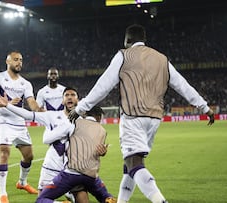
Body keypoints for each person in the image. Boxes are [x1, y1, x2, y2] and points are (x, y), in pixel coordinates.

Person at [69, 24, 215, 203]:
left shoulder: (123, 55)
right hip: (154, 119)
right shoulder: (162, 59)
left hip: (132, 117)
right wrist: (204, 107)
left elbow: (103, 85)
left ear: (128, 39)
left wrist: (80, 108)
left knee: (134, 163)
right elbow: (182, 85)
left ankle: (160, 200)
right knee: (129, 165)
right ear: (144, 39)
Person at [0, 87, 116, 203]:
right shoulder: (52, 116)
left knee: (80, 198)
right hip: (52, 165)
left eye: (73, 95)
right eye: (66, 95)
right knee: (43, 197)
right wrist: (8, 105)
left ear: (78, 100)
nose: (69, 97)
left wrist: (101, 151)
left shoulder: (83, 120)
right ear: (62, 100)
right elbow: (28, 115)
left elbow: (91, 144)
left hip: (75, 168)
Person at [0, 50, 43, 203]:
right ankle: (3, 194)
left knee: (29, 156)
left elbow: (31, 101)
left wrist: (38, 110)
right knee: (4, 154)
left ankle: (22, 182)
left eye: (21, 60)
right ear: (8, 61)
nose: (19, 62)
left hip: (19, 123)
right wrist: (6, 103)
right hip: (3, 121)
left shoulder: (25, 83)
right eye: (16, 59)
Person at [35, 106, 116, 203]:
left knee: (41, 199)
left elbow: (47, 139)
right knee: (104, 197)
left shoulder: (74, 123)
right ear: (99, 117)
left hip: (71, 174)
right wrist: (103, 152)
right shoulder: (102, 131)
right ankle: (108, 198)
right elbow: (97, 150)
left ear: (84, 114)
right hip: (91, 176)